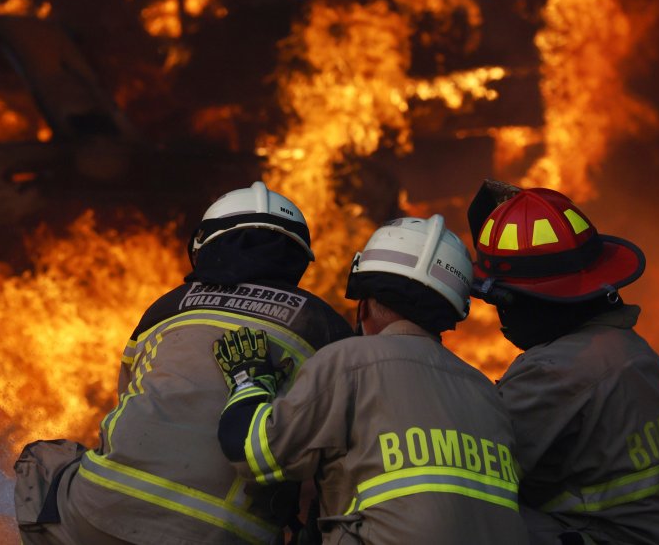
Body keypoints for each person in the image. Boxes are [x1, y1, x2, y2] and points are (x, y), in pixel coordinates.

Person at [14, 181, 354, 544]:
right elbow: (335, 452)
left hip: (100, 514)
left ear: (206, 245)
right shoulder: (326, 326)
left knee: (40, 462)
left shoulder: (166, 306)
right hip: (229, 536)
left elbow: (128, 400)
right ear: (298, 257)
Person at [215, 215, 529, 544]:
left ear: (364, 305)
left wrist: (248, 381)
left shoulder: (349, 362)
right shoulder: (487, 393)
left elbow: (255, 453)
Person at [466, 181, 659, 544]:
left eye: (502, 299)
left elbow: (471, 463)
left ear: (532, 301)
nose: (501, 314)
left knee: (460, 513)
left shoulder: (556, 371)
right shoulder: (628, 348)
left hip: (614, 538)